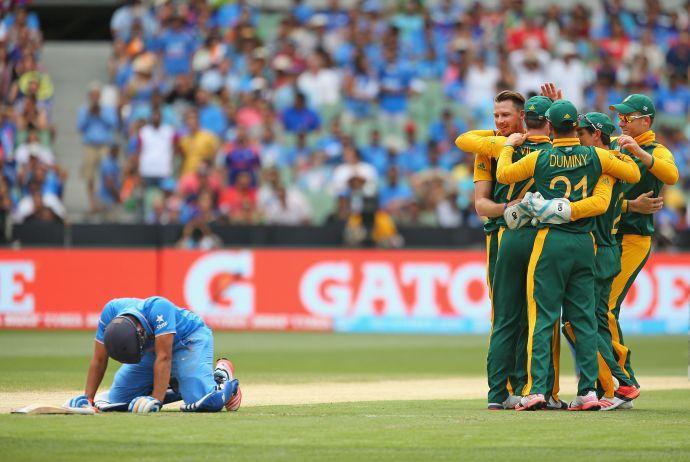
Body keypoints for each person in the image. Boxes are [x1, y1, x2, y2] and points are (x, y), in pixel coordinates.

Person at [495, 99, 641, 411]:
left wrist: (508, 146)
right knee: (585, 319)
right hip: (585, 242)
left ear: (549, 127)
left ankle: (536, 390)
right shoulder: (596, 155)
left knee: (543, 317)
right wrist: (615, 157)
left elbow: (505, 174)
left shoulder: (540, 157)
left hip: (550, 240)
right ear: (575, 126)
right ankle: (587, 392)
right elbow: (633, 174)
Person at [571, 111, 658, 410]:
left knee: (578, 322)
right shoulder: (617, 164)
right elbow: (614, 201)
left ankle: (618, 385)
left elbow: (599, 203)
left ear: (597, 135)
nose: (575, 138)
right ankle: (614, 384)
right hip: (607, 250)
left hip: (596, 251)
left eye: (581, 132)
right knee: (596, 321)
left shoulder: (600, 165)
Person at [604, 94, 679, 399]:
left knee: (604, 307)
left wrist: (640, 153)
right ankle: (611, 380)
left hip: (634, 239)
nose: (621, 121)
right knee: (599, 309)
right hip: (607, 235)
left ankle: (623, 379)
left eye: (628, 116)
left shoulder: (655, 150)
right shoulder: (612, 143)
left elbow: (671, 176)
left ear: (645, 121)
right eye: (620, 116)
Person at [65, 296, 241, 414]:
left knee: (204, 403)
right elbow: (99, 359)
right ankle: (179, 385)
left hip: (188, 340)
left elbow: (164, 357)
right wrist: (88, 398)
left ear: (140, 333)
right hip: (150, 349)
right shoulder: (110, 313)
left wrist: (156, 399)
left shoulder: (158, 307)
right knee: (117, 401)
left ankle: (221, 377)